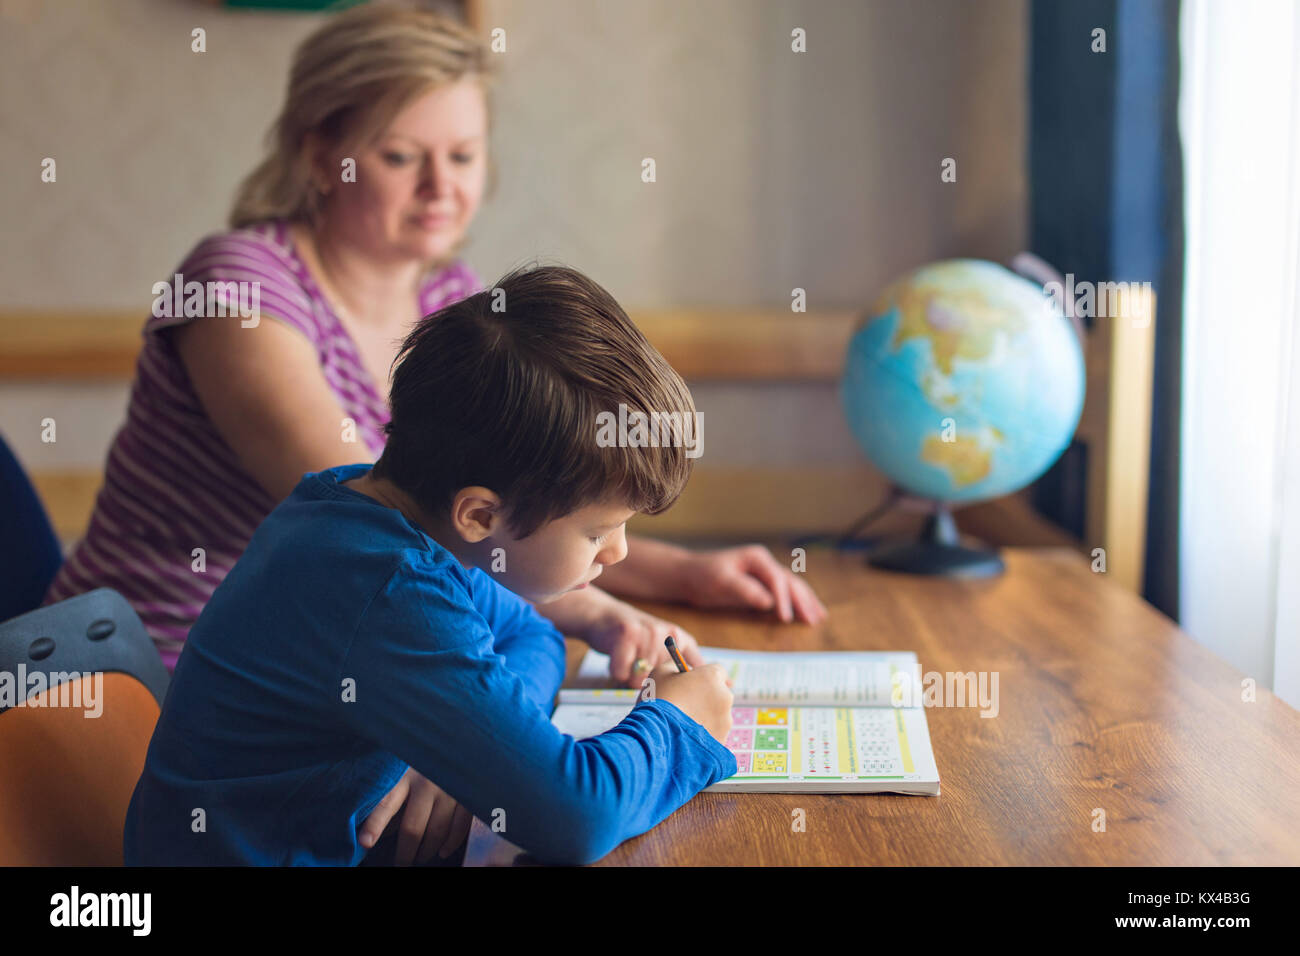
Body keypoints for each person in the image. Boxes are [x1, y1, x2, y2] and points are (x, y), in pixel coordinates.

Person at [47, 2, 821, 864]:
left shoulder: (448, 327)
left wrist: (474, 741)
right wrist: (660, 724)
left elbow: (518, 601)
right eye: (400, 156)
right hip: (143, 689)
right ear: (318, 153)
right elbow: (564, 795)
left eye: (462, 155)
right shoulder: (244, 300)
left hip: (362, 702)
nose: (441, 186)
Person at [124, 264, 737, 866]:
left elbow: (533, 634)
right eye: (599, 530)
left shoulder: (367, 509)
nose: (619, 552)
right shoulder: (387, 585)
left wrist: (468, 750)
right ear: (479, 514)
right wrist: (678, 721)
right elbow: (578, 816)